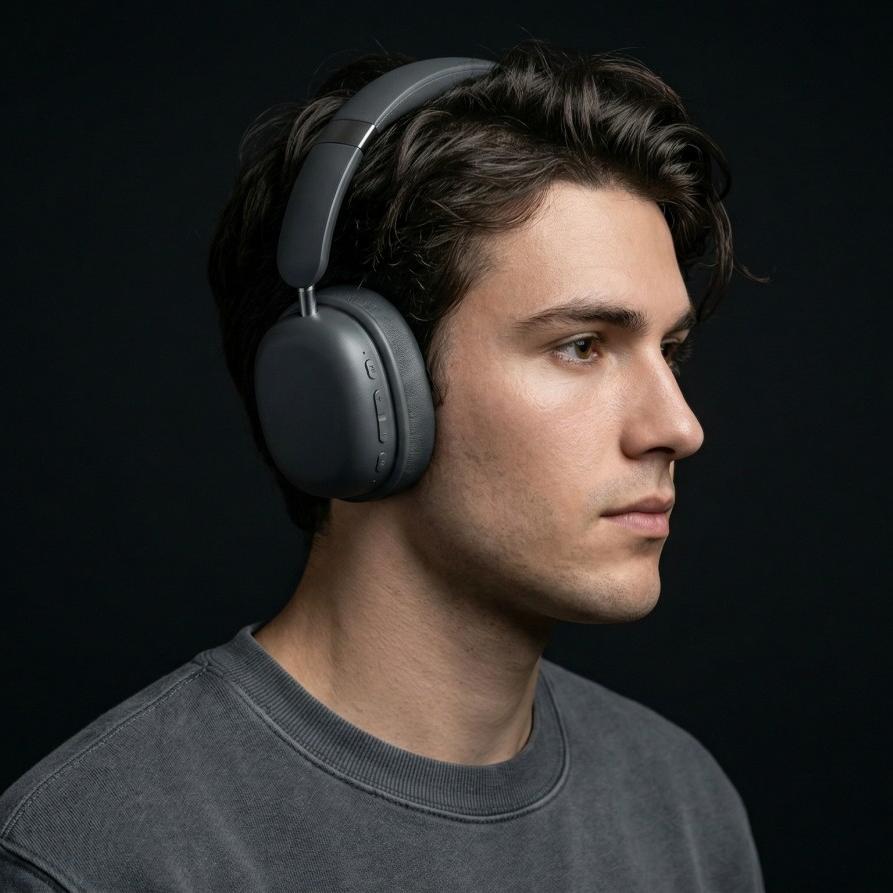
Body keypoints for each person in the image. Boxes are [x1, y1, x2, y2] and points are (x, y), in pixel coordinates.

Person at [0, 39, 768, 890]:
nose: (678, 427)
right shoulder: (94, 858)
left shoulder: (681, 803)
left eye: (669, 349)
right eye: (581, 345)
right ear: (356, 390)